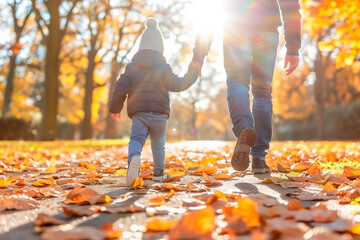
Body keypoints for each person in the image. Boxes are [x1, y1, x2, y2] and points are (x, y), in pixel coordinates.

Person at [109, 17, 210, 186]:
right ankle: (158, 173)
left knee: (136, 140)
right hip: (160, 115)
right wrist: (192, 73)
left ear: (140, 49)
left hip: (139, 113)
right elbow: (178, 84)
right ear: (161, 51)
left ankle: (134, 159)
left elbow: (120, 87)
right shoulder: (164, 68)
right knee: (158, 145)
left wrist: (115, 108)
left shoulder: (132, 67)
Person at [223, 0, 302, 173]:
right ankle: (258, 158)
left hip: (234, 24)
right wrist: (293, 47)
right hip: (266, 27)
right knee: (263, 92)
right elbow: (291, 5)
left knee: (237, 81)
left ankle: (244, 127)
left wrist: (199, 55)